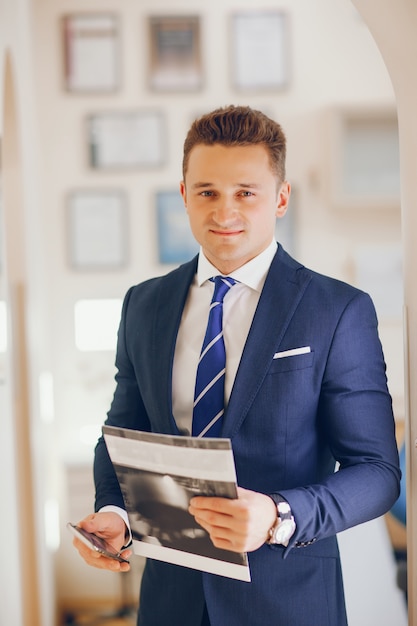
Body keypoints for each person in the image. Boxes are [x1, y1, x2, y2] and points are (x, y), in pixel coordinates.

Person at [73, 105, 401, 625]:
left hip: (288, 600)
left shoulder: (336, 310)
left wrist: (277, 516)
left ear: (281, 197)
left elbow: (378, 474)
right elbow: (122, 437)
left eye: (245, 192)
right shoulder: (144, 304)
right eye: (207, 192)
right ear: (184, 194)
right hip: (170, 603)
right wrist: (116, 515)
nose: (225, 213)